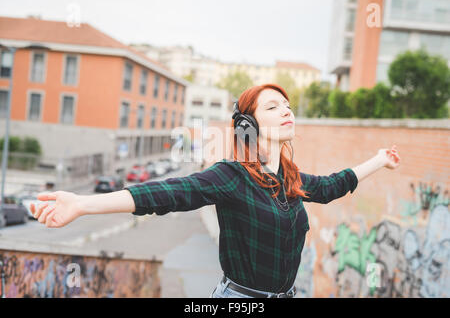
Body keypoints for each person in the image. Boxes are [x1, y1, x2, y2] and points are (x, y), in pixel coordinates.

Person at [30, 83, 401, 298]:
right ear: (248, 124)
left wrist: (379, 160)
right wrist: (81, 204)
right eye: (273, 106)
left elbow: (335, 185)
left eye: (287, 104)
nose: (287, 110)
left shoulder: (291, 179)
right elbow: (165, 194)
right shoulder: (232, 176)